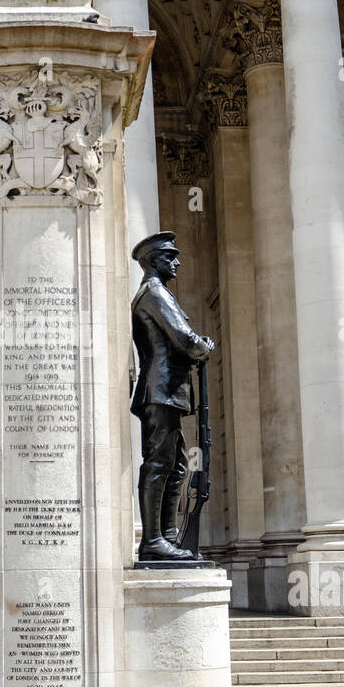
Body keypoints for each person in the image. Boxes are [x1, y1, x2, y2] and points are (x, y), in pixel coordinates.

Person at [131, 232, 214, 562]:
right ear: (153, 261)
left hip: (168, 390)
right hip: (160, 389)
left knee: (176, 464)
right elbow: (184, 337)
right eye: (170, 257)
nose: (177, 262)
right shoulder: (155, 292)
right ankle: (152, 539)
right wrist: (202, 346)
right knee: (160, 462)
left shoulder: (157, 291)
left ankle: (165, 537)